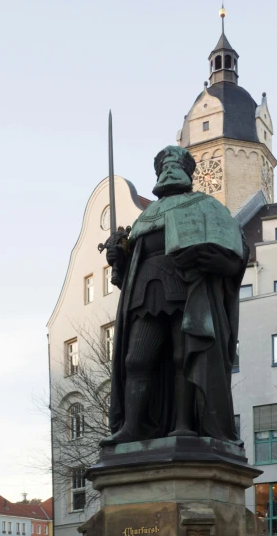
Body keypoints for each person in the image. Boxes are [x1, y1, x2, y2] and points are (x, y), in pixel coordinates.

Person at [102, 145, 247, 446]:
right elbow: (130, 269)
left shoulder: (205, 205)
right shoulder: (146, 216)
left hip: (188, 288)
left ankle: (184, 425)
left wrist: (223, 263)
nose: (169, 169)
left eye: (175, 164)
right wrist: (119, 258)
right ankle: (132, 427)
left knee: (184, 357)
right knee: (136, 360)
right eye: (163, 165)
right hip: (145, 293)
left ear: (187, 172)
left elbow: (235, 250)